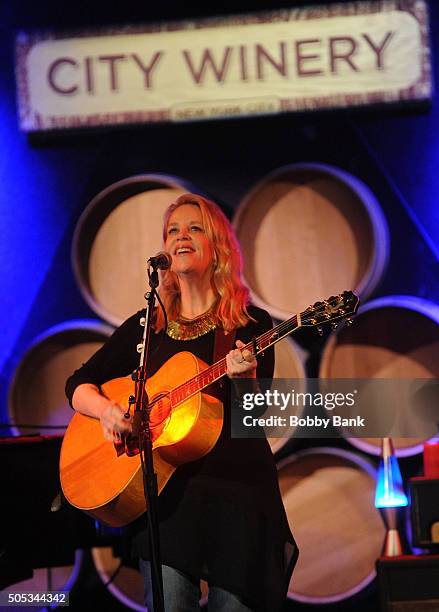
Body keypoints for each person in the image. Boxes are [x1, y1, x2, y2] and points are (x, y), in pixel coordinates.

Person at [65, 193, 298, 611]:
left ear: (218, 248)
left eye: (193, 228)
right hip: (168, 507)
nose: (180, 237)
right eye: (172, 230)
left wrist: (246, 380)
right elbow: (79, 384)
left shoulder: (249, 324)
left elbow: (251, 419)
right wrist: (108, 412)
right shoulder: (148, 327)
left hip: (237, 502)